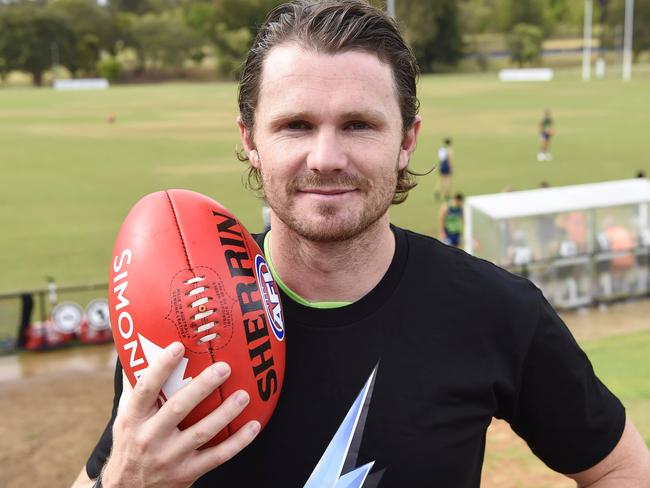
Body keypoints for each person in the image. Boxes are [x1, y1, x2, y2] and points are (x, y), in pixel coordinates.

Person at [73, 2, 650, 487]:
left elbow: (621, 467)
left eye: (359, 125)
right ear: (250, 140)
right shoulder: (184, 306)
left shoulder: (496, 311)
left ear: (407, 140)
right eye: (295, 125)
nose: (325, 158)